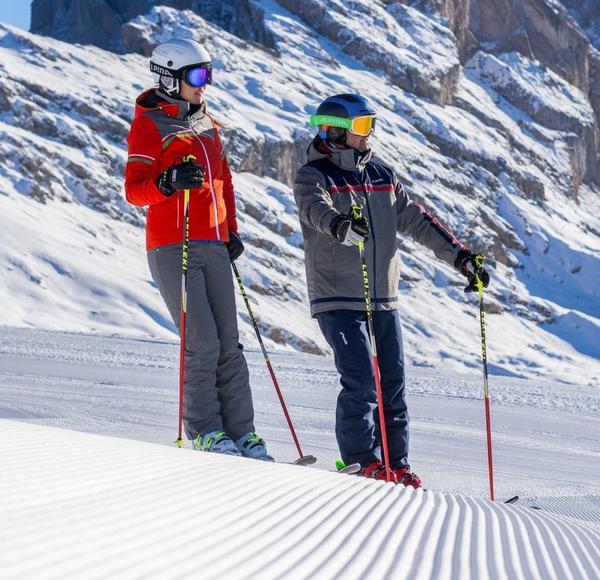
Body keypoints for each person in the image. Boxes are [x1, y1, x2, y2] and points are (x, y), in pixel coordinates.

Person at [293, 93, 490, 486]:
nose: (370, 135)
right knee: (361, 380)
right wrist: (340, 227)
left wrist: (461, 258)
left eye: (372, 125)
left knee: (392, 383)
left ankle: (395, 463)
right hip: (338, 296)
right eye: (363, 127)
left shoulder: (382, 176)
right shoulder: (313, 176)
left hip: (383, 297)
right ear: (334, 131)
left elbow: (418, 220)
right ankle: (362, 460)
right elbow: (315, 209)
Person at [124, 32, 272, 460]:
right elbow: (135, 191)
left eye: (207, 73)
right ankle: (206, 430)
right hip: (173, 244)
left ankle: (243, 432)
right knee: (202, 340)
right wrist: (168, 183)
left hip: (213, 241)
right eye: (197, 75)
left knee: (229, 340)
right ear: (170, 78)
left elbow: (224, 184)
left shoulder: (206, 123)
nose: (204, 83)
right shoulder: (150, 125)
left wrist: (231, 231)